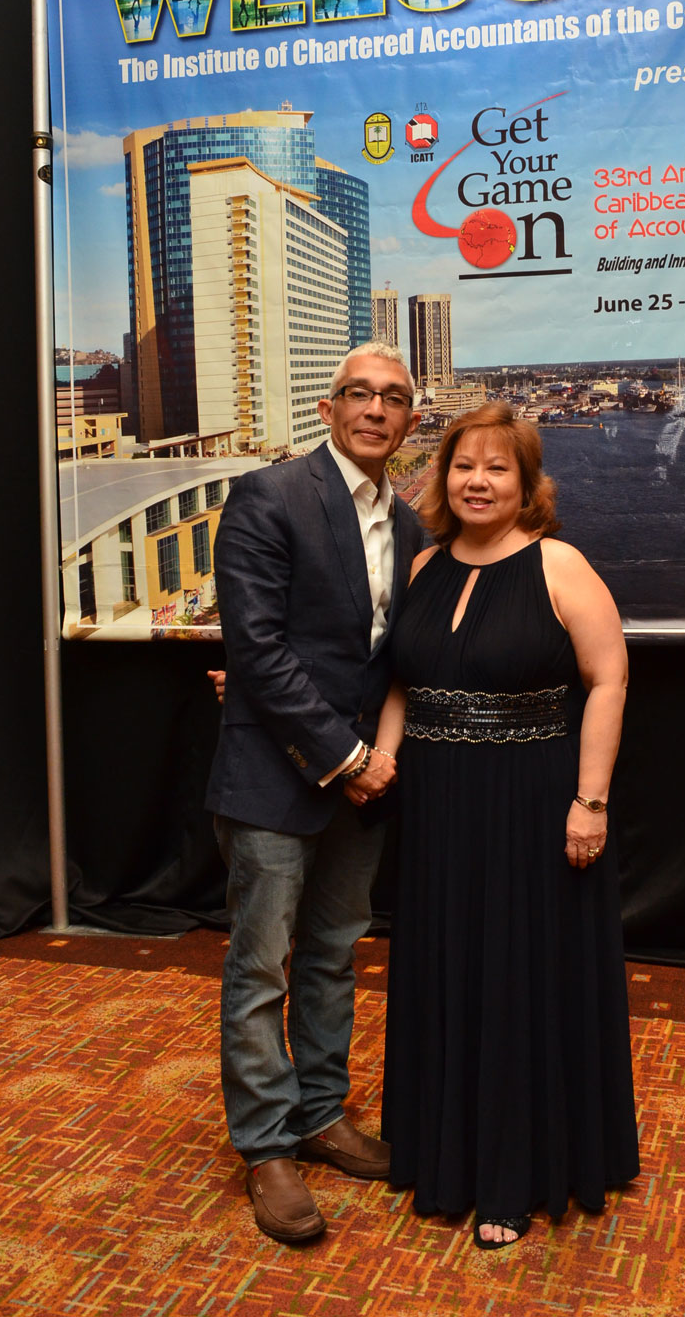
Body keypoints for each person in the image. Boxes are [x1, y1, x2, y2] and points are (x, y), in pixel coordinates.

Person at [346, 402, 639, 1249]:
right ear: (444, 479)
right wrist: (382, 758)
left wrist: (590, 802)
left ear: (527, 482)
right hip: (438, 806)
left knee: (517, 976)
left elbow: (610, 679)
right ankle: (446, 1151)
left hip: (530, 804)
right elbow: (404, 684)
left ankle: (513, 1179)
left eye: (497, 467)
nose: (477, 481)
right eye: (463, 466)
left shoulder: (559, 563)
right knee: (450, 968)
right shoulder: (423, 565)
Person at [205, 342, 423, 1244]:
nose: (376, 408)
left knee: (333, 956)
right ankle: (266, 1145)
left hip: (360, 788)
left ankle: (322, 1114)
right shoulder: (269, 495)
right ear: (328, 409)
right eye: (358, 394)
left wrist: (377, 760)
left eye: (393, 398)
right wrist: (348, 755)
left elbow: (394, 654)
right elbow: (256, 648)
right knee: (262, 967)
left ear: (409, 420)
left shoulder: (410, 525)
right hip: (275, 776)